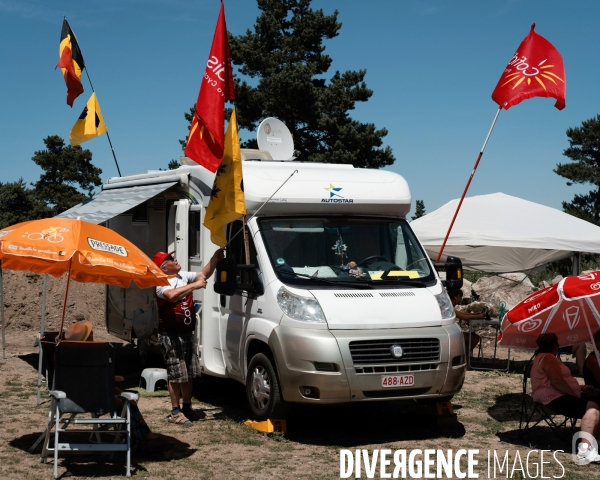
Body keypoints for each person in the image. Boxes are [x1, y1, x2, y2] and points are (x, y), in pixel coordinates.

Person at [63, 321, 163, 454]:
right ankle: (138, 441)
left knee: (127, 401)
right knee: (126, 404)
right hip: (96, 400)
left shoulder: (66, 360)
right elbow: (101, 382)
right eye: (91, 334)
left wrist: (118, 392)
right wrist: (118, 392)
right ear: (86, 339)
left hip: (71, 400)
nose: (93, 335)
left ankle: (143, 438)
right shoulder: (95, 356)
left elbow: (90, 384)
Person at [153, 248, 224, 426]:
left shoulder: (182, 276)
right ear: (163, 267)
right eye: (170, 259)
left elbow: (203, 274)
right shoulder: (161, 283)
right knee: (176, 375)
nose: (175, 259)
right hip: (170, 335)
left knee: (189, 374)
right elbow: (171, 296)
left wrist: (214, 258)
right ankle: (175, 412)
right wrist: (195, 285)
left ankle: (187, 408)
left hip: (185, 333)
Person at [531, 333, 600, 462]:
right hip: (551, 398)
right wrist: (574, 395)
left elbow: (557, 381)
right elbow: (557, 382)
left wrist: (579, 388)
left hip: (554, 395)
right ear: (556, 346)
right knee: (592, 407)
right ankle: (585, 449)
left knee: (596, 402)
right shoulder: (548, 358)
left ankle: (595, 441)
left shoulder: (544, 357)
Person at [448, 289, 484, 354]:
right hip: (449, 335)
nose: (461, 299)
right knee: (475, 338)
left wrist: (477, 314)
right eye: (460, 297)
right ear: (455, 297)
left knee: (472, 336)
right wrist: (478, 316)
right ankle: (464, 356)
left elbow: (463, 314)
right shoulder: (449, 308)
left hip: (450, 333)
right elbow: (465, 317)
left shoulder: (449, 306)